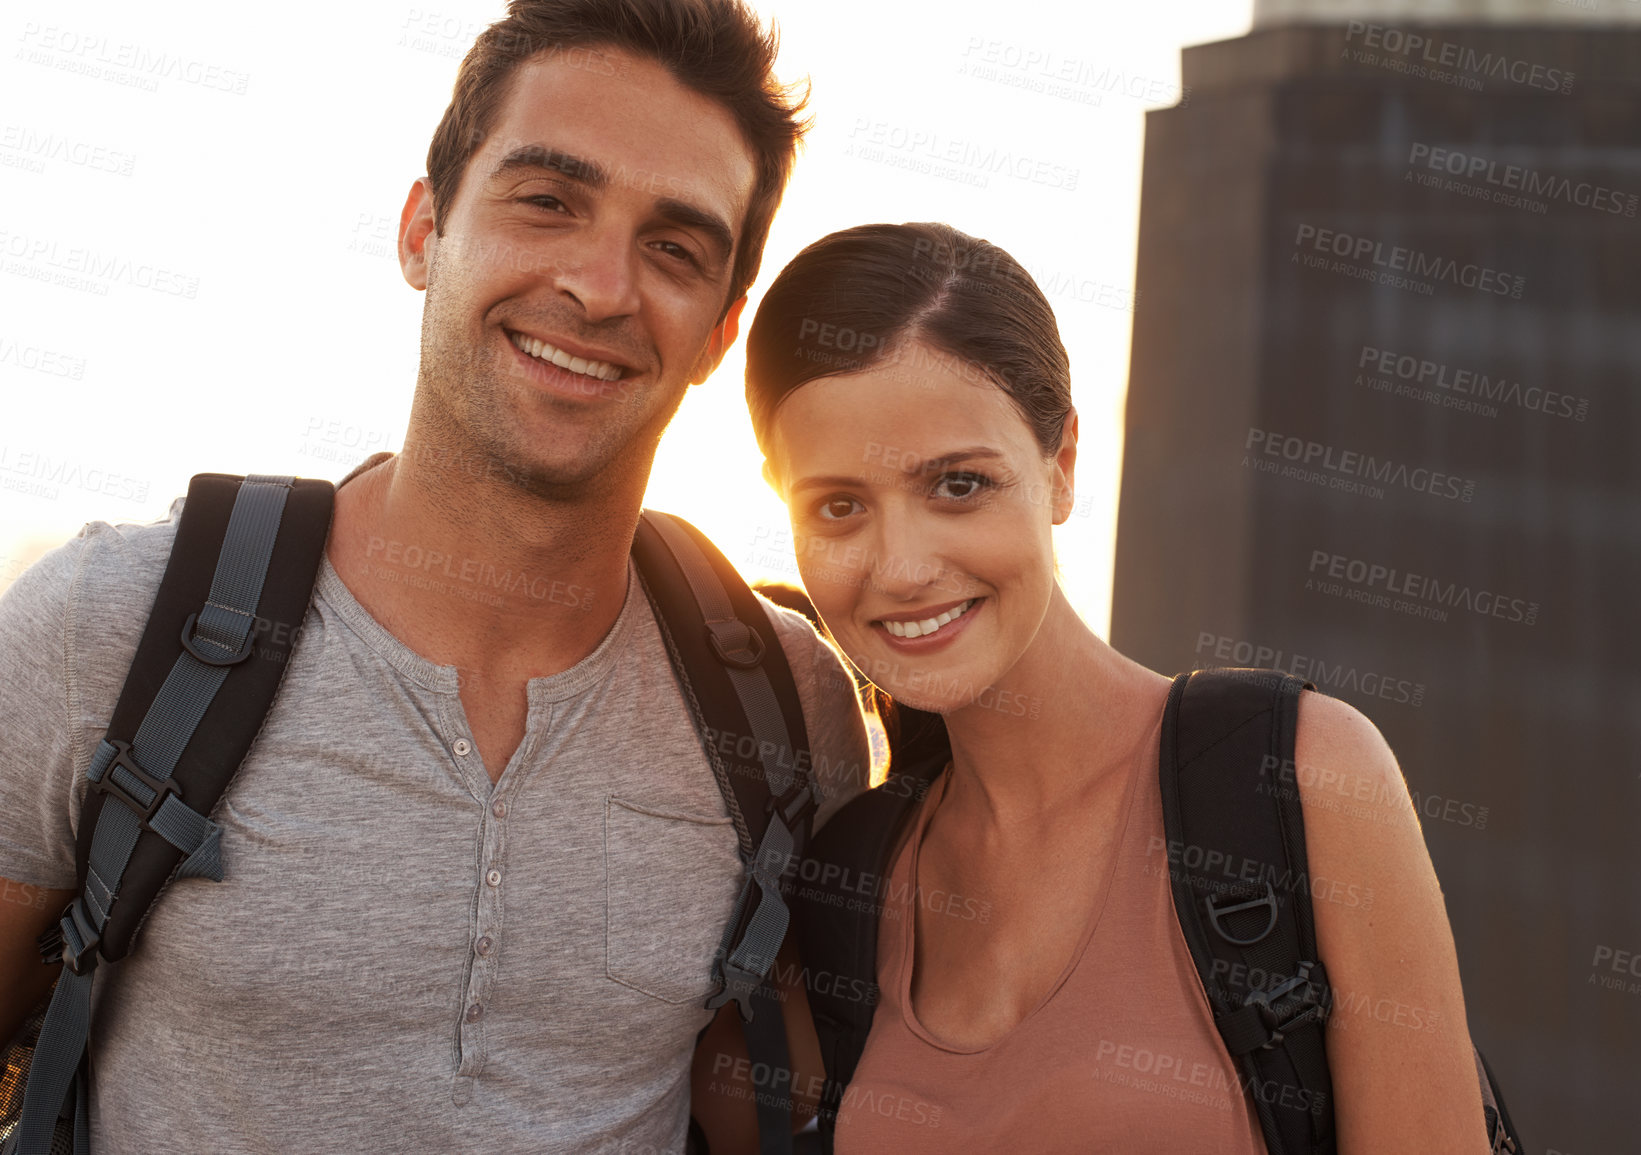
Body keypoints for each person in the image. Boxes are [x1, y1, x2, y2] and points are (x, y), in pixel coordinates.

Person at [0, 2, 870, 1152]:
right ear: (424, 231)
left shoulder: (784, 704)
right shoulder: (110, 625)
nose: (602, 286)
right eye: (547, 200)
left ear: (718, 332)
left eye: (674, 246)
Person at [739, 222, 1492, 1153]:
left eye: (959, 485)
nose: (899, 567)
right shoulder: (842, 882)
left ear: (1059, 468)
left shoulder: (1295, 775)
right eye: (839, 506)